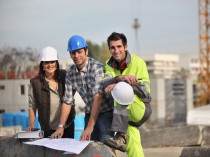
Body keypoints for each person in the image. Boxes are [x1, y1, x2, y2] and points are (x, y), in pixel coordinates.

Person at [53, 35, 114, 142]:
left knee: (106, 146)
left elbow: (98, 97)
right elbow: (67, 101)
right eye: (73, 53)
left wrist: (90, 128)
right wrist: (61, 126)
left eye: (79, 52)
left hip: (106, 113)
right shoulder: (71, 74)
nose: (76, 56)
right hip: (90, 113)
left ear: (86, 51)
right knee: (88, 147)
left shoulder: (96, 68)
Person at [103, 32, 152, 157]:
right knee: (134, 147)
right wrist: (121, 78)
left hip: (140, 108)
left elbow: (145, 92)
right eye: (112, 47)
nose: (116, 50)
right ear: (109, 49)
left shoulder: (138, 63)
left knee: (121, 89)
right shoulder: (109, 64)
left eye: (119, 46)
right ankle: (124, 135)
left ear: (125, 47)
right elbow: (106, 84)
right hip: (125, 115)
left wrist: (122, 84)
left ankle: (120, 135)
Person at [27, 46, 75, 138]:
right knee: (50, 152)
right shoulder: (35, 83)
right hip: (48, 128)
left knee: (67, 151)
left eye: (52, 61)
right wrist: (31, 126)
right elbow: (32, 105)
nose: (50, 65)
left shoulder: (65, 76)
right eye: (46, 62)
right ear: (42, 65)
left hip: (67, 125)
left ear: (56, 63)